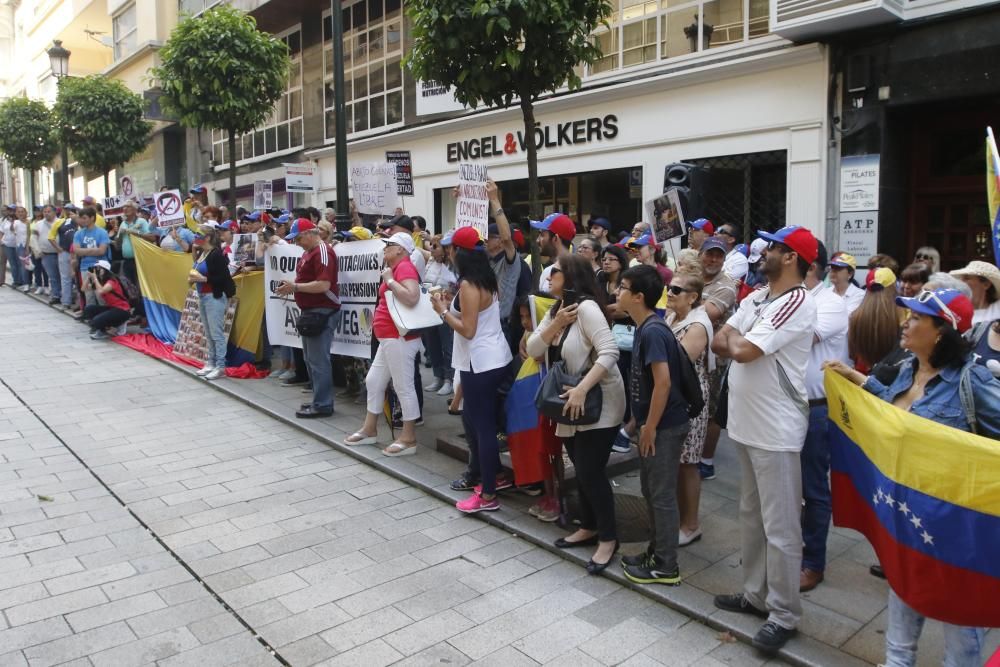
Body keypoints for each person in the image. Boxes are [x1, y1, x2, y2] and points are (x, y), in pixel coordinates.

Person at [825, 287, 999, 667]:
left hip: (953, 532)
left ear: (942, 331)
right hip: (906, 522)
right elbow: (892, 408)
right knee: (899, 644)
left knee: (960, 646)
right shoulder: (906, 370)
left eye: (917, 318)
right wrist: (857, 378)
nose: (906, 323)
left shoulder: (974, 384)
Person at [711, 225, 819, 655]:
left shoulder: (796, 300)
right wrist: (738, 340)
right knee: (751, 516)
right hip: (746, 423)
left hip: (776, 430)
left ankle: (784, 613)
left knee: (781, 527)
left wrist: (738, 340)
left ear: (791, 257)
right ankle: (755, 595)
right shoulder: (757, 296)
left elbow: (742, 351)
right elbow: (721, 340)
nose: (765, 252)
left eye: (773, 247)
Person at [527, 254, 625, 575]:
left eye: (554, 271)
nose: (549, 276)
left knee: (590, 470)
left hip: (600, 401)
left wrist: (582, 388)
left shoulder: (587, 308)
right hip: (570, 402)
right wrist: (556, 324)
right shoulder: (558, 310)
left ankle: (609, 538)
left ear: (569, 277)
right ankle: (590, 526)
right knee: (582, 470)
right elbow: (532, 349)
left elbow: (610, 351)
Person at [614, 264, 691, 584]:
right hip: (653, 423)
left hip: (665, 426)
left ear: (638, 297)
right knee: (650, 489)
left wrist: (649, 428)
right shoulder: (645, 327)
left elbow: (662, 383)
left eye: (622, 288)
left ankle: (666, 566)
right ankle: (656, 551)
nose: (617, 292)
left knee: (660, 495)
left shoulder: (653, 331)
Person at [431, 227, 513, 512]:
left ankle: (488, 494)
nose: (447, 252)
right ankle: (495, 477)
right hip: (488, 359)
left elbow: (467, 330)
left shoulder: (469, 285)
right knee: (477, 423)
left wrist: (442, 311)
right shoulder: (484, 279)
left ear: (458, 252)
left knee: (483, 428)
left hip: (481, 363)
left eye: (450, 248)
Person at [343, 232, 422, 455]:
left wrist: (389, 280)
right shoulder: (399, 267)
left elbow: (412, 297)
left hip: (399, 337)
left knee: (403, 386)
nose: (385, 247)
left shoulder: (404, 267)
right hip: (390, 336)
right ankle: (370, 429)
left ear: (401, 250)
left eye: (390, 244)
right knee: (374, 380)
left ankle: (408, 438)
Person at [799, 240, 848, 593]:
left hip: (816, 408)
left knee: (814, 487)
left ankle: (813, 561)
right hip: (783, 405)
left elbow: (793, 337)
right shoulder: (783, 298)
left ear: (805, 265)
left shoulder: (830, 304)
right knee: (786, 484)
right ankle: (789, 549)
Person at [663, 269, 713, 547]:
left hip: (690, 399)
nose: (670, 292)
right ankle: (679, 518)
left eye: (677, 290)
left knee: (688, 463)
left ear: (693, 297)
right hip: (672, 396)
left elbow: (678, 363)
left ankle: (691, 524)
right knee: (676, 462)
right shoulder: (672, 317)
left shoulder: (697, 325)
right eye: (670, 287)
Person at [275, 220, 340, 418]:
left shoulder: (322, 252)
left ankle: (323, 404)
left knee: (318, 360)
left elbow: (323, 285)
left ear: (309, 234)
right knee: (311, 359)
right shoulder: (310, 252)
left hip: (321, 311)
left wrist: (295, 287)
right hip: (313, 311)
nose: (297, 242)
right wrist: (294, 286)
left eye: (298, 238)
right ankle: (319, 401)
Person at [697, 237, 738, 480]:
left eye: (719, 256)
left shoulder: (727, 285)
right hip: (692, 354)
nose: (713, 259)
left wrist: (684, 295)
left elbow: (708, 313)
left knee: (711, 410)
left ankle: (707, 461)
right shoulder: (692, 278)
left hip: (715, 359)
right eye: (709, 254)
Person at [188, 228, 236, 381]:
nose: (195, 237)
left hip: (213, 297)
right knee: (209, 333)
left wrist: (204, 280)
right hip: (203, 296)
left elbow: (223, 278)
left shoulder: (216, 255)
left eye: (198, 235)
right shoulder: (203, 253)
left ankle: (220, 366)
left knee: (216, 334)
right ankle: (211, 362)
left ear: (207, 237)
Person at [422, 235, 457, 396]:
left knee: (447, 346)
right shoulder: (431, 263)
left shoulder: (453, 266)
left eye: (435, 246)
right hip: (430, 309)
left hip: (446, 310)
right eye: (431, 246)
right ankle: (438, 376)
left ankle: (449, 379)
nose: (432, 249)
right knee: (432, 344)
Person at [81, 260, 131, 339]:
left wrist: (95, 279)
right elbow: (83, 289)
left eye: (99, 269)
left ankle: (120, 323)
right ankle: (102, 331)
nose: (97, 270)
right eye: (96, 268)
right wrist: (88, 277)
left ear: (105, 270)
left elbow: (101, 291)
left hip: (123, 310)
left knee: (97, 320)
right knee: (89, 309)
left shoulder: (112, 281)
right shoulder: (100, 281)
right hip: (112, 308)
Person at [73, 207, 111, 308]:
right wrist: (95, 250)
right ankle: (91, 316)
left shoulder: (102, 232)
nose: (82, 220)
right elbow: (76, 250)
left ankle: (103, 316)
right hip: (85, 267)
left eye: (84, 218)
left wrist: (84, 251)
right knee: (88, 294)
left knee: (100, 295)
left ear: (92, 218)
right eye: (80, 218)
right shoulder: (78, 233)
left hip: (100, 266)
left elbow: (102, 251)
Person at [533, 213, 576, 292]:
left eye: (542, 235)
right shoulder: (580, 268)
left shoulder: (578, 272)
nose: (537, 240)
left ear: (555, 238)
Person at [117, 199, 156, 284]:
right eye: (124, 207)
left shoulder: (141, 221)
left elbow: (152, 238)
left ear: (135, 210)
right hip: (127, 261)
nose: (125, 209)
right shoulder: (122, 224)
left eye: (128, 206)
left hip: (139, 260)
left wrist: (137, 233)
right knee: (130, 288)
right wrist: (119, 235)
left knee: (141, 285)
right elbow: (118, 245)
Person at [35, 205, 60, 305]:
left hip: (60, 253)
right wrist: (38, 251)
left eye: (49, 211)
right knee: (52, 276)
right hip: (46, 254)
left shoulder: (60, 222)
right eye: (45, 211)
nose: (46, 213)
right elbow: (34, 238)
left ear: (54, 212)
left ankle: (64, 294)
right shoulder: (38, 224)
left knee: (62, 276)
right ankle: (55, 295)